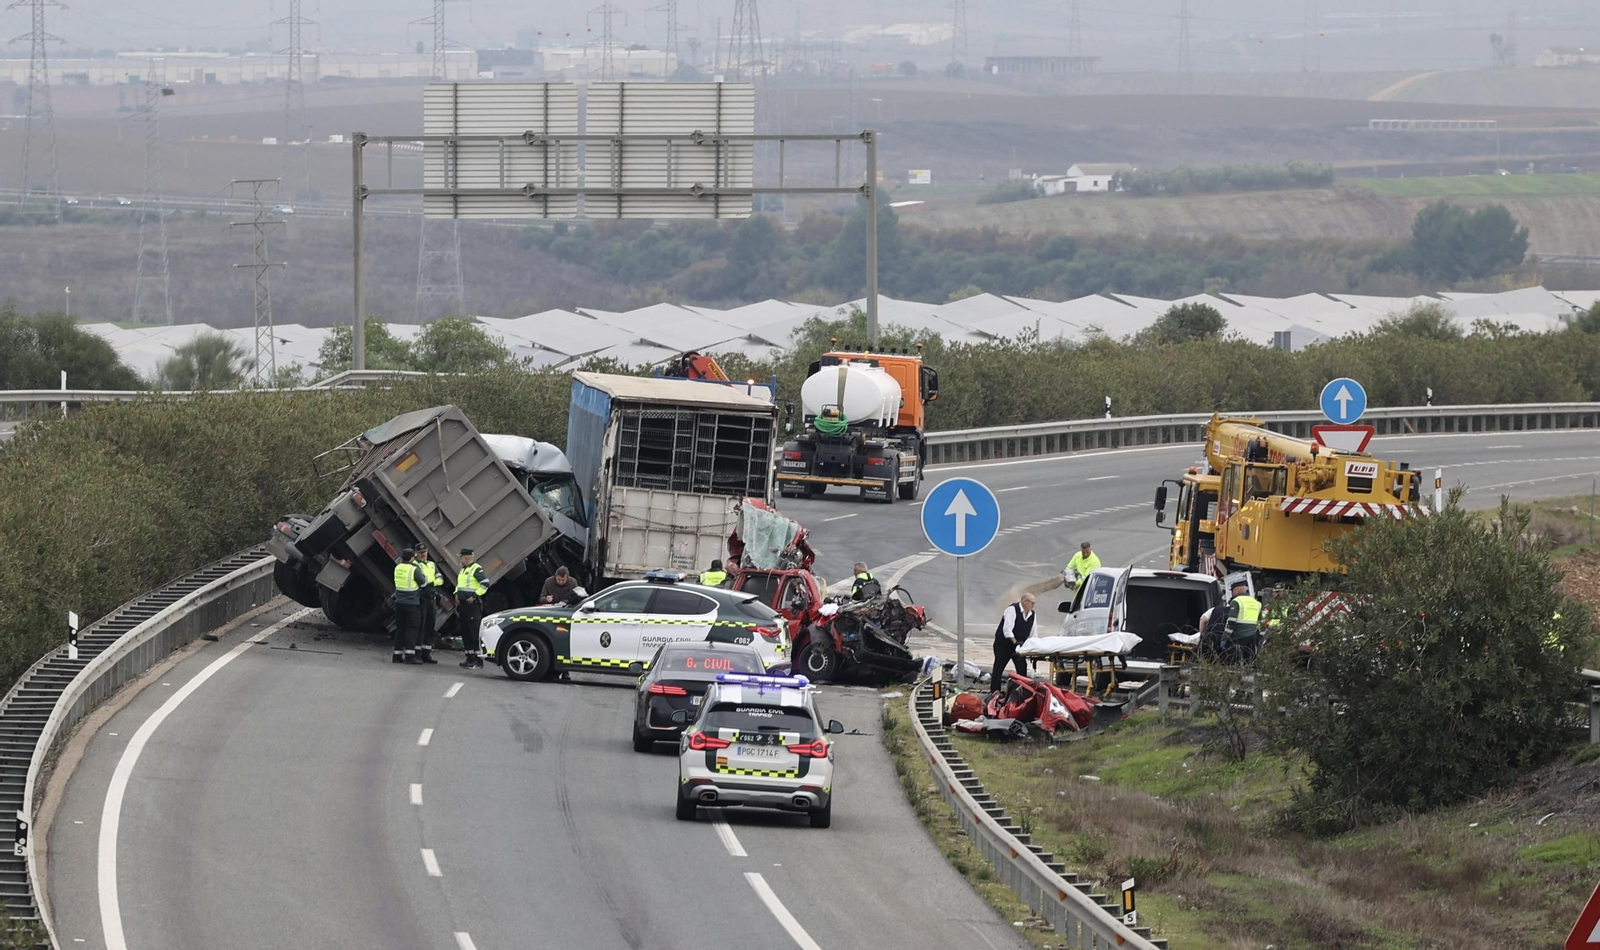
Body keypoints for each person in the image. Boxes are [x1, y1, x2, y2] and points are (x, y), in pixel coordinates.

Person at [990, 593, 1037, 693]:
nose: (1033, 606)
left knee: (1022, 669)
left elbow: (1033, 634)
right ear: (1025, 602)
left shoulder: (1032, 615)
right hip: (1004, 645)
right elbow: (1007, 629)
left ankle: (1021, 692)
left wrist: (1031, 647)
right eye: (1032, 603)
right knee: (998, 668)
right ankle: (994, 692)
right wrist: (1015, 642)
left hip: (1019, 647)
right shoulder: (1012, 609)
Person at [455, 547, 489, 669]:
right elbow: (460, 585)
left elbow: (485, 583)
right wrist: (456, 594)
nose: (460, 559)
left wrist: (475, 595)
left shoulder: (476, 569)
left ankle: (478, 660)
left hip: (472, 606)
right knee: (465, 631)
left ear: (467, 557)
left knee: (474, 632)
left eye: (461, 556)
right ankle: (470, 657)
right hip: (463, 605)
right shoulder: (463, 570)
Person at [392, 547, 425, 665]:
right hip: (412, 603)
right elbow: (423, 583)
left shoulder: (398, 568)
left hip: (399, 603)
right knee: (412, 629)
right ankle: (410, 656)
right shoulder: (414, 569)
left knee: (400, 629)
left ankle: (397, 655)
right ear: (412, 557)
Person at [414, 544, 443, 664]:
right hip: (421, 599)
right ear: (416, 553)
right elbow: (420, 581)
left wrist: (430, 582)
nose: (423, 554)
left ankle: (426, 654)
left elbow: (440, 580)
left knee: (430, 627)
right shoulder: (415, 565)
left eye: (424, 552)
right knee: (420, 626)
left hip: (431, 599)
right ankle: (417, 654)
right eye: (421, 552)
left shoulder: (431, 564)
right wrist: (431, 582)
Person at [1222, 580, 1263, 661]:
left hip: (1238, 637)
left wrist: (1224, 639)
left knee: (1234, 662)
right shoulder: (1256, 603)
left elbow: (1231, 623)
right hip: (1252, 638)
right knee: (1248, 662)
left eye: (1232, 591)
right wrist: (1259, 639)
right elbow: (1261, 623)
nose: (1232, 594)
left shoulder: (1236, 601)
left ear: (1236, 590)